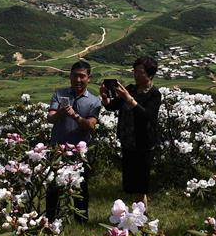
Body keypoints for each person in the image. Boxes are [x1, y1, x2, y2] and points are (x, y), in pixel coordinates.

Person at [100, 56, 162, 207]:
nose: (136, 74)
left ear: (150, 74)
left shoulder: (154, 94)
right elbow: (112, 106)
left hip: (143, 142)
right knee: (131, 182)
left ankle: (142, 216)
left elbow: (147, 116)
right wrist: (105, 98)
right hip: (127, 140)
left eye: (140, 72)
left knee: (141, 184)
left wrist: (130, 100)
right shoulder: (130, 89)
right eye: (135, 71)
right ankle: (135, 213)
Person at [46, 60, 101, 221]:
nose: (78, 80)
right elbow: (50, 118)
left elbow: (90, 125)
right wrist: (61, 113)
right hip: (57, 149)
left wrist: (74, 115)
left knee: (81, 189)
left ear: (88, 78)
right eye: (75, 76)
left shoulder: (94, 101)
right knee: (53, 188)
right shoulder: (59, 94)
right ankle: (50, 220)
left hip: (79, 153)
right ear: (70, 76)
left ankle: (81, 222)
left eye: (82, 76)